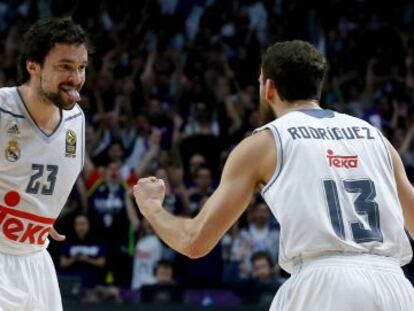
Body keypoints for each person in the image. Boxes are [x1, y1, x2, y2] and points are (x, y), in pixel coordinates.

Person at [133, 40, 414, 310]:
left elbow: (194, 242)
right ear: (318, 86)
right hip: (395, 286)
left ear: (268, 87)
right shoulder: (375, 138)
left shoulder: (266, 142)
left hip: (324, 284)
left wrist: (152, 209)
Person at [0, 17, 92, 310]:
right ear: (33, 65)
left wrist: (35, 213)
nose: (76, 78)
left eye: (81, 68)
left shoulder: (76, 120)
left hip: (37, 260)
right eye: (64, 66)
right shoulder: (2, 111)